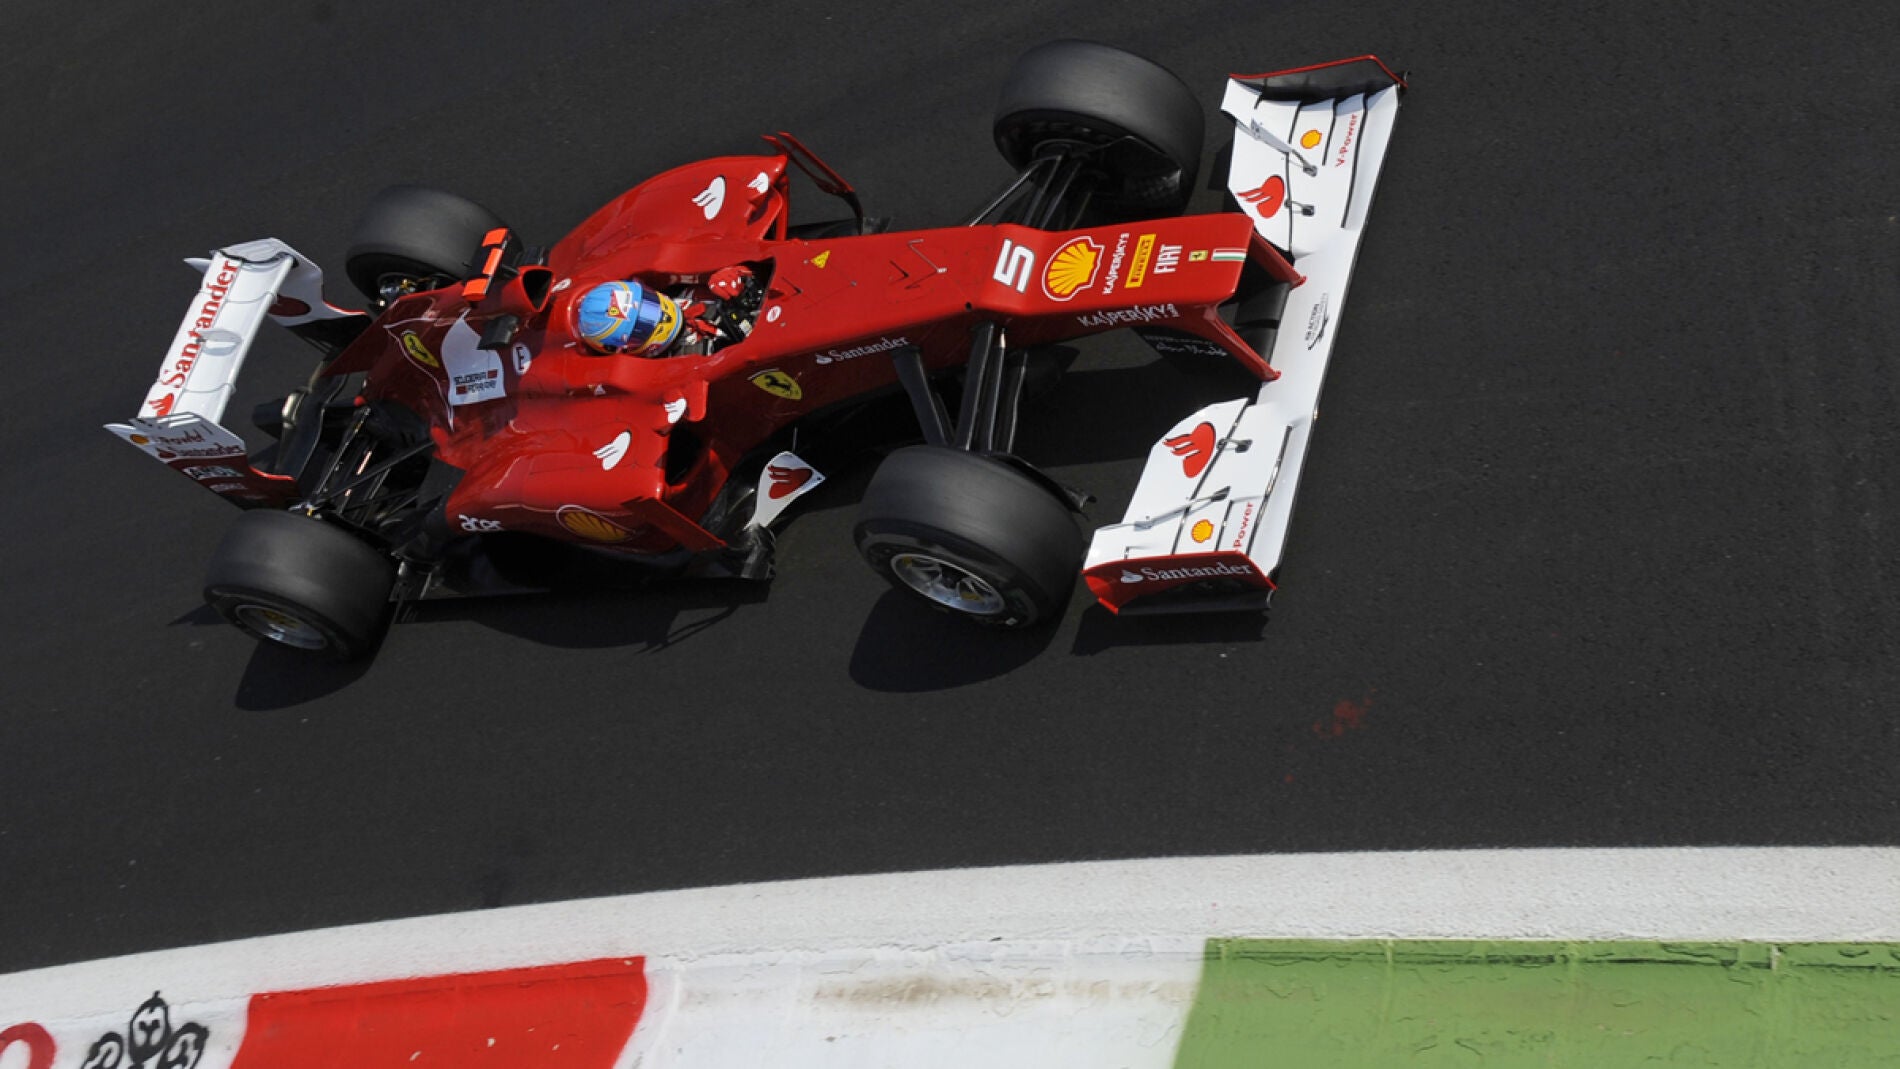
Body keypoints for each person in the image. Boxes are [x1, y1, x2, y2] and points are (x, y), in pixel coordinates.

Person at [573, 266, 757, 357]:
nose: (663, 316)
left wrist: (745, 284)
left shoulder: (685, 291)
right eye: (643, 324)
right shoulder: (680, 364)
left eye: (649, 305)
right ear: (624, 347)